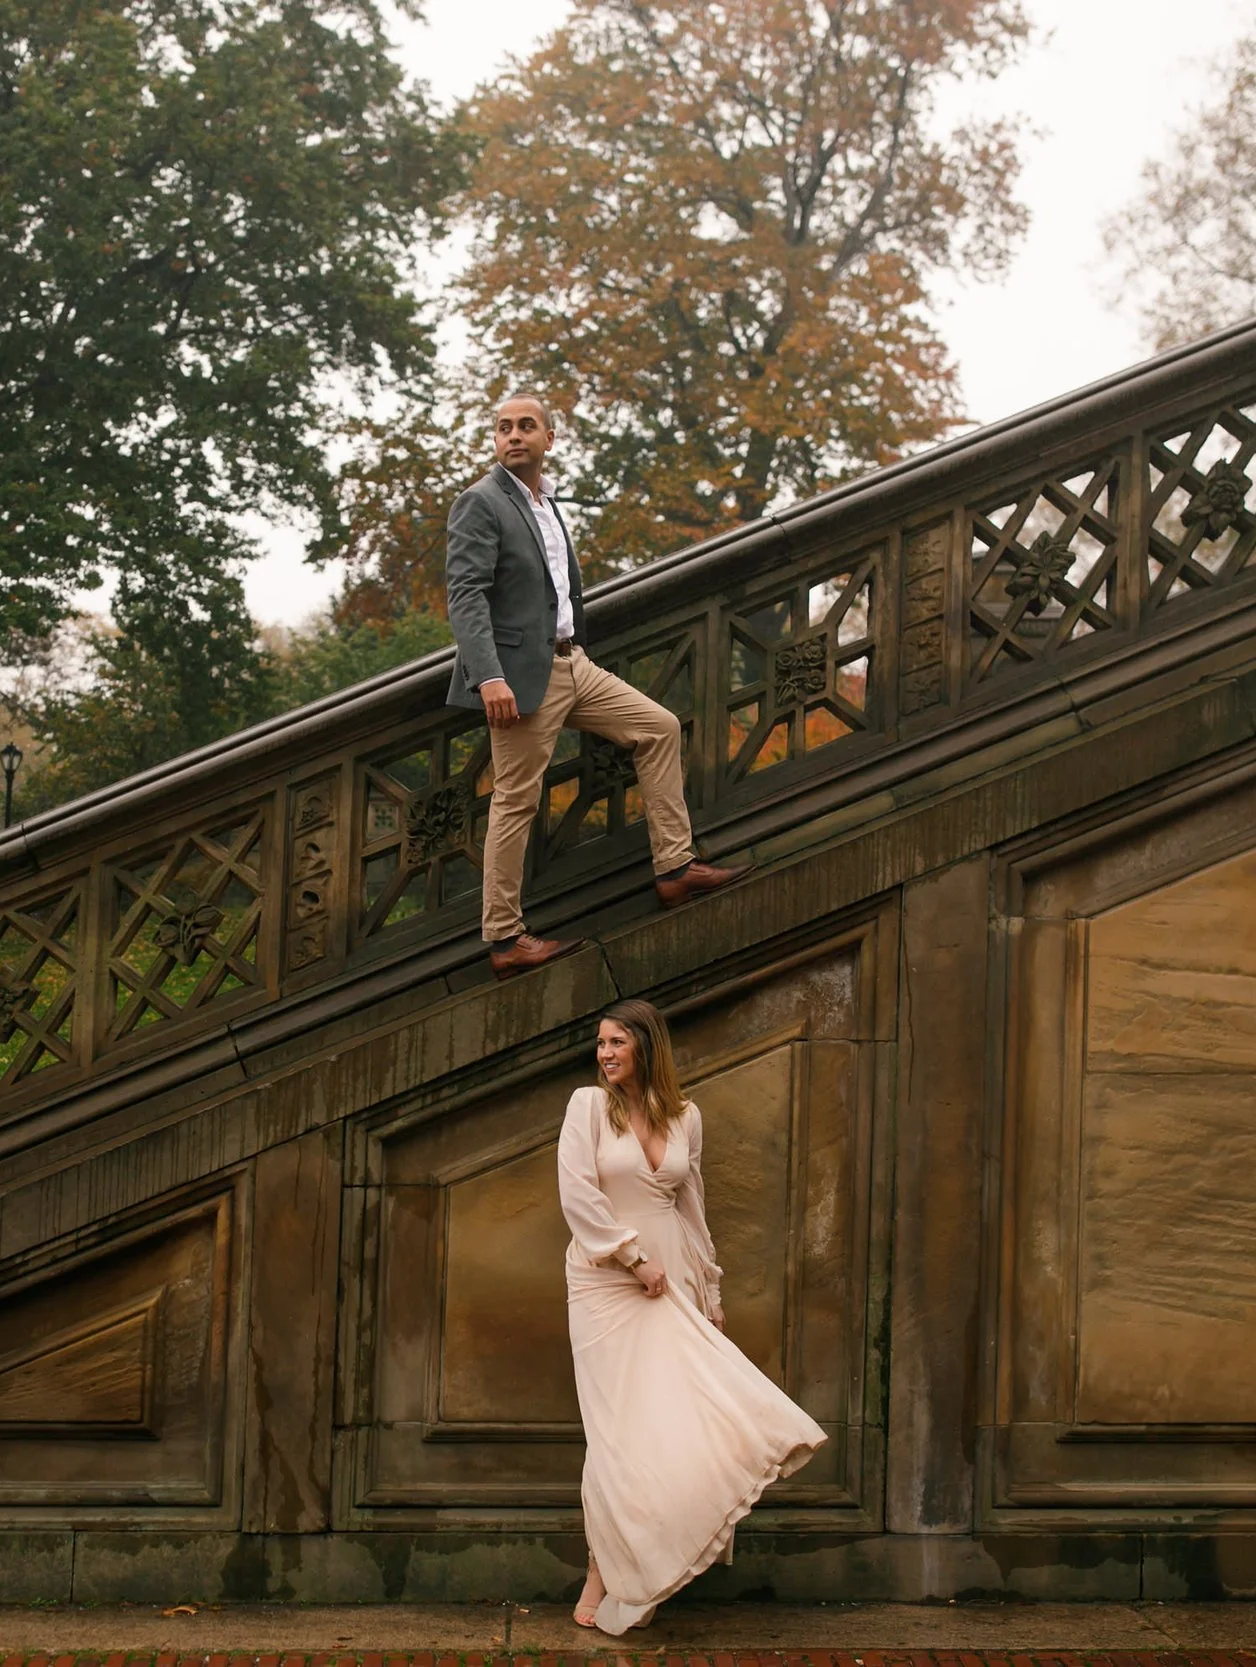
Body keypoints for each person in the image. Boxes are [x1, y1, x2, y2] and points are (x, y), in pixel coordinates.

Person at [444, 395, 746, 979]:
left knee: (658, 728)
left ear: (549, 439)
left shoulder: (546, 503)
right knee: (516, 799)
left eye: (526, 427)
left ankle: (675, 869)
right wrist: (489, 676)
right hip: (520, 677)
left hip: (572, 663)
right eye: (503, 428)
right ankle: (505, 938)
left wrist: (573, 648)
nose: (513, 436)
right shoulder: (480, 503)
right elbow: (466, 596)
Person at [557, 998, 825, 1634]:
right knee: (615, 1436)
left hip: (671, 1282)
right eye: (601, 1043)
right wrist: (630, 1258)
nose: (605, 1054)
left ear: (647, 1047)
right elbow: (576, 1191)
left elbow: (691, 1207)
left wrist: (709, 1293)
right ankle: (605, 1570)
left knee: (671, 1432)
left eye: (617, 1042)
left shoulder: (685, 1117)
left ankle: (638, 1567)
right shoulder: (587, 1107)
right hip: (605, 1285)